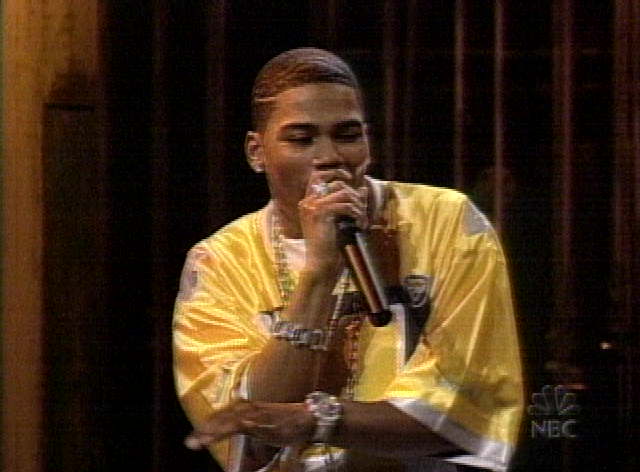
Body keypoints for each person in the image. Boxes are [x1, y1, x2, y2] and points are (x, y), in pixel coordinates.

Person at [173, 47, 523, 472]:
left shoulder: (448, 223)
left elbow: (470, 405)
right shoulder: (219, 261)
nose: (329, 157)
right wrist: (319, 275)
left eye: (347, 135)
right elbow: (247, 429)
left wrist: (320, 420)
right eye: (301, 139)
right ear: (256, 151)